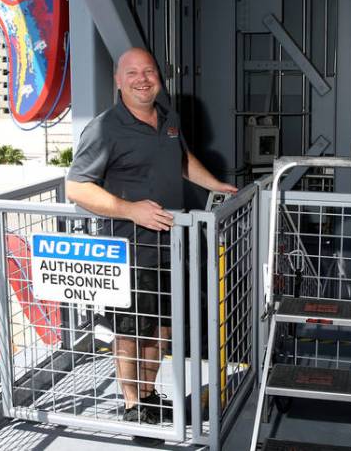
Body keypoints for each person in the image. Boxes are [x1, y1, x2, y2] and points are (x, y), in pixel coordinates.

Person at [66, 47, 236, 426]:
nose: (142, 79)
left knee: (161, 327)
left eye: (149, 71)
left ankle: (148, 392)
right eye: (132, 73)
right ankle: (131, 404)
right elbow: (76, 187)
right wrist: (130, 209)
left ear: (159, 76)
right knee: (129, 332)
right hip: (128, 250)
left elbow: (181, 158)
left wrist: (216, 184)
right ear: (118, 81)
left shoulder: (167, 116)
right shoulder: (104, 127)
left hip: (169, 248)